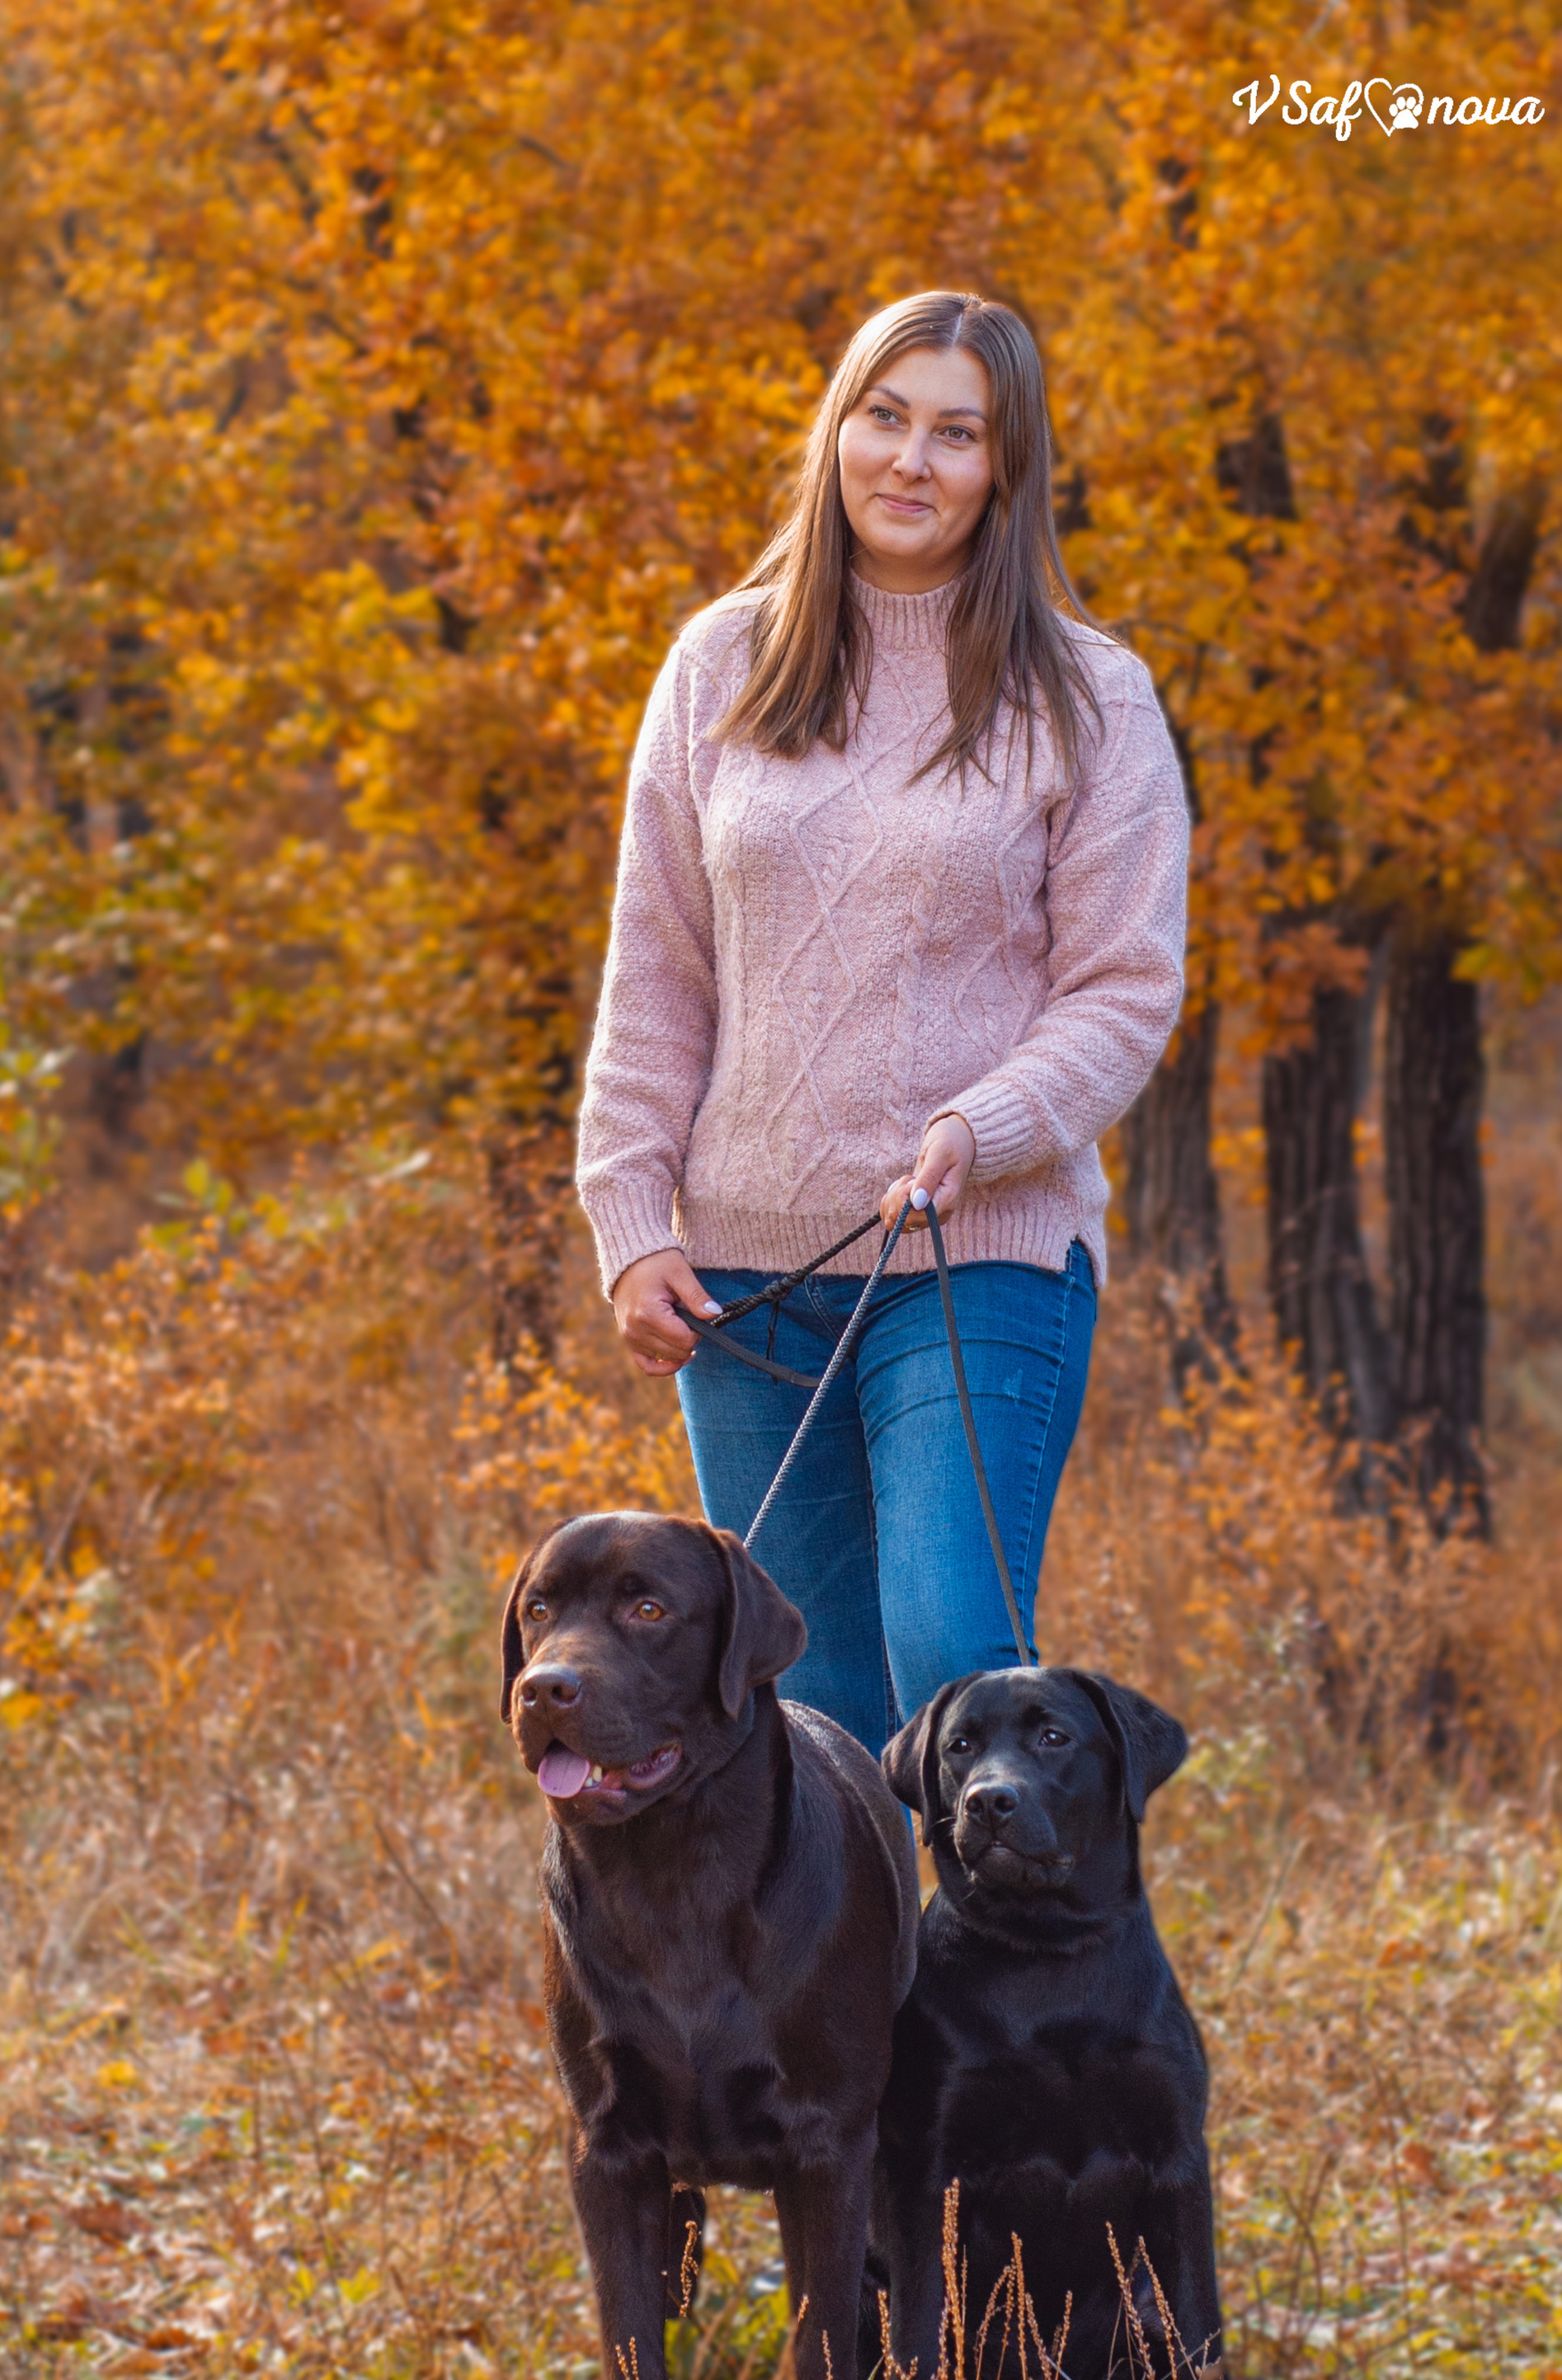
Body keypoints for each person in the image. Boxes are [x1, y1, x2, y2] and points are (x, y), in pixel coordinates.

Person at [572, 289, 1190, 1760]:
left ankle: (1018, 1929)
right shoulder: (722, 664)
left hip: (976, 1250)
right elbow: (656, 969)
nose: (911, 460)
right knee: (803, 1723)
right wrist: (632, 1220)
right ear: (837, 431)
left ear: (1006, 467)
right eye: (885, 416)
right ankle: (848, 1937)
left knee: (954, 1663)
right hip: (742, 1281)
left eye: (957, 433)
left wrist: (990, 1122)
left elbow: (1125, 987)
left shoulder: (1090, 696)